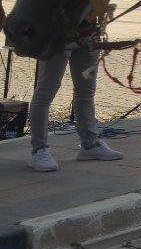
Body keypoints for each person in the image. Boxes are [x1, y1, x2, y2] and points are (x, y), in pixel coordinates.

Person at [25, 22, 124, 172]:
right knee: (46, 92)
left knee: (87, 91)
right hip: (56, 35)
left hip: (89, 35)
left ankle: (90, 145)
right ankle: (39, 150)